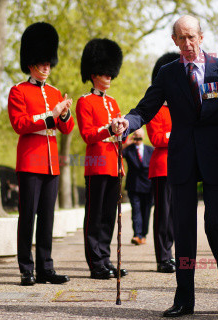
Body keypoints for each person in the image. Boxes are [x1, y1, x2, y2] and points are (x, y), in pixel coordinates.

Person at [111, 15, 218, 317]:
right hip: (182, 159)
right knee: (184, 229)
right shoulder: (167, 74)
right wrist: (126, 122)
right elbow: (144, 109)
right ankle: (185, 298)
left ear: (201, 37)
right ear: (174, 41)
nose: (187, 44)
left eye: (192, 37)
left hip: (216, 159)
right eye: (181, 38)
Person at [8, 22, 73, 286]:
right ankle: (26, 267)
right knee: (28, 216)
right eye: (42, 63)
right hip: (30, 161)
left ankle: (46, 267)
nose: (47, 67)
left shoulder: (55, 92)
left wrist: (65, 113)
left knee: (48, 217)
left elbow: (66, 128)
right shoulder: (18, 91)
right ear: (31, 64)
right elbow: (20, 124)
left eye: (49, 63)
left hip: (51, 163)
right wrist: (51, 115)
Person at [76, 38, 128, 280]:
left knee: (108, 216)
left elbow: (118, 137)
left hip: (113, 164)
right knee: (95, 216)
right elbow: (87, 135)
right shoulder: (84, 102)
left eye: (111, 74)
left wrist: (122, 135)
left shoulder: (113, 102)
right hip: (96, 165)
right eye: (105, 74)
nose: (109, 77)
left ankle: (106, 260)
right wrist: (109, 129)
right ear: (94, 74)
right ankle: (95, 262)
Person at [145, 52, 179, 274]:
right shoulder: (156, 108)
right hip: (162, 166)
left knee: (177, 216)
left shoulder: (180, 106)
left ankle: (172, 254)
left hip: (181, 166)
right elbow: (157, 138)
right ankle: (163, 257)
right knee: (163, 215)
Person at [122, 128, 154, 246]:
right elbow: (117, 152)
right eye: (135, 136)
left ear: (144, 137)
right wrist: (127, 143)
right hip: (133, 186)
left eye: (139, 136)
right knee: (136, 211)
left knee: (146, 212)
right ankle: (137, 235)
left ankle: (143, 235)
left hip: (149, 186)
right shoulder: (128, 150)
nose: (137, 138)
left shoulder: (150, 150)